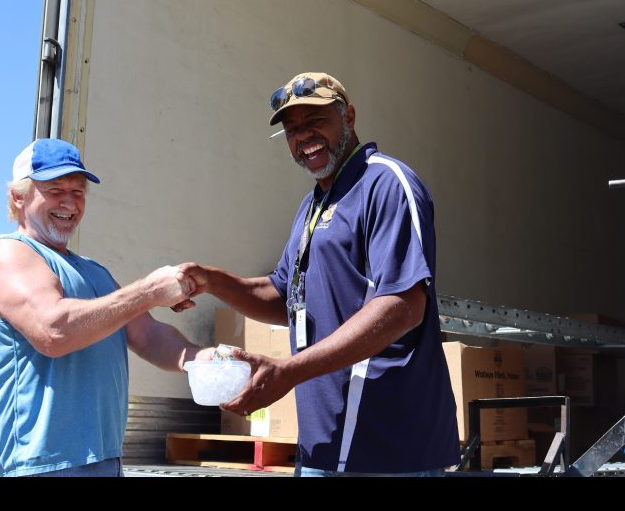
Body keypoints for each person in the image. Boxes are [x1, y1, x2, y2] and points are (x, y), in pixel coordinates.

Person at [176, 73, 460, 476]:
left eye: (315, 122)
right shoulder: (313, 206)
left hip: (391, 449)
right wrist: (211, 280)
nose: (303, 138)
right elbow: (284, 296)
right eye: (292, 130)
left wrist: (288, 372)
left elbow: (403, 306)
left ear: (349, 117)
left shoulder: (385, 183)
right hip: (324, 446)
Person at [0, 138, 212, 477]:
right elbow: (53, 331)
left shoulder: (94, 272)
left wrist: (207, 361)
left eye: (79, 191)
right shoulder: (7, 254)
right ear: (18, 197)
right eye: (55, 190)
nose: (69, 202)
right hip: (40, 465)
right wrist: (147, 291)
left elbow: (148, 335)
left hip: (105, 459)